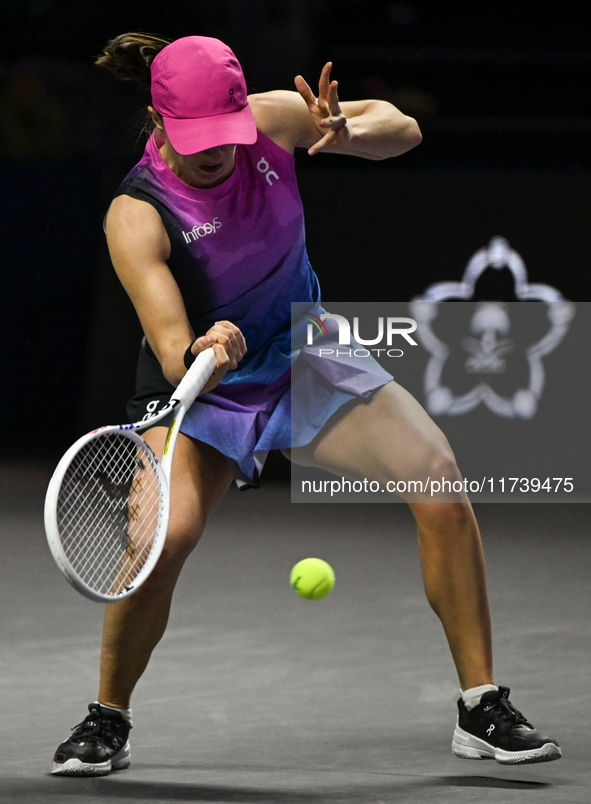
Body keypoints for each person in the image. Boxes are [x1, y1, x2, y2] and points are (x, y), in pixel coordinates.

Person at [51, 33, 561, 776]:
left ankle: (480, 705)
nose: (215, 152)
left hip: (304, 351)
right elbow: (169, 347)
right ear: (158, 122)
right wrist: (205, 351)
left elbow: (404, 130)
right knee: (158, 543)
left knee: (438, 479)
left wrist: (347, 131)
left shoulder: (274, 120)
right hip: (203, 389)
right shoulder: (136, 214)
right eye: (195, 140)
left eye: (224, 134)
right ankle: (107, 719)